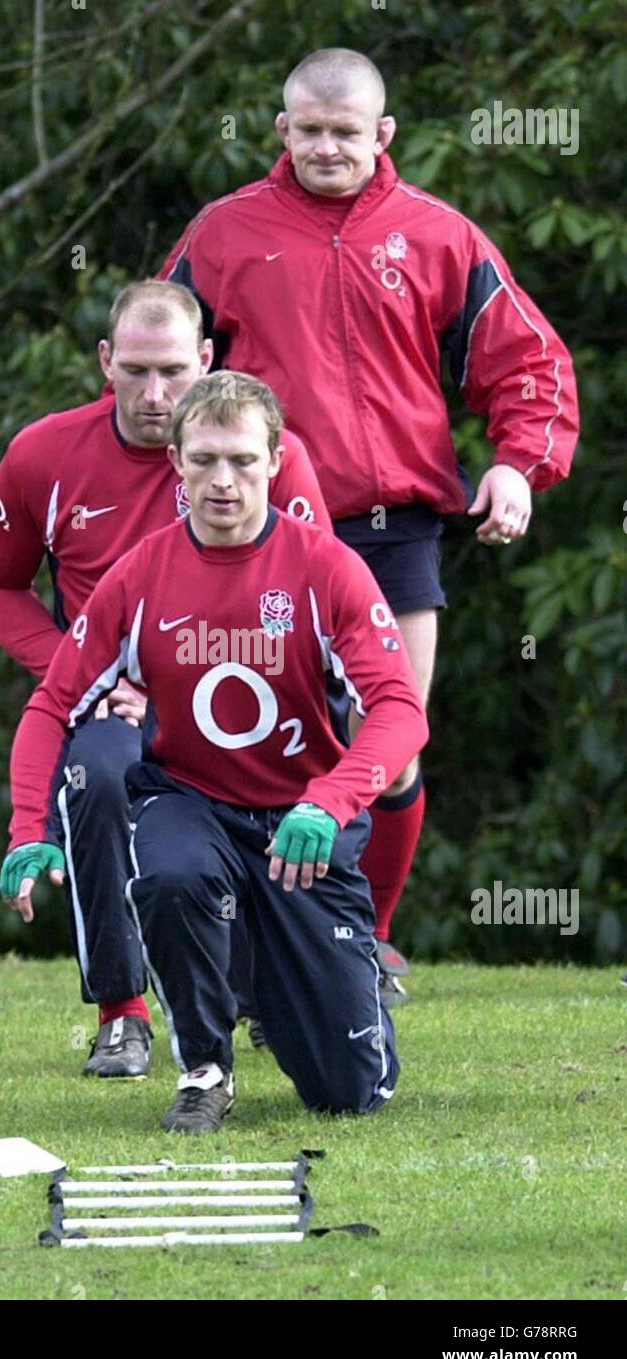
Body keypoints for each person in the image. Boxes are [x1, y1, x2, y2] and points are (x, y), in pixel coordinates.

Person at [160, 48, 579, 1003]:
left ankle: (365, 941)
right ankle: (256, 953)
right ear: (282, 130)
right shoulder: (224, 235)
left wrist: (516, 463)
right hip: (262, 536)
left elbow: (531, 366)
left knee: (390, 745)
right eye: (307, 131)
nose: (324, 148)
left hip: (396, 534)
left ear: (381, 134)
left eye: (344, 133)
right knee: (265, 752)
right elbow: (164, 371)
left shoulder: (437, 236)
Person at [0, 372, 428, 1132]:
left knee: (347, 1091)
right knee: (168, 872)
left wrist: (328, 801)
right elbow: (49, 707)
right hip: (189, 799)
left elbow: (398, 709)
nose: (221, 481)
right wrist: (30, 830)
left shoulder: (325, 568)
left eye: (240, 459)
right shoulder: (140, 576)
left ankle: (289, 985)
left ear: (274, 462)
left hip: (303, 824)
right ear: (177, 466)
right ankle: (204, 1067)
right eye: (202, 461)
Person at [0, 281, 330, 1078]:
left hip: (242, 691)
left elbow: (310, 597)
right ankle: (121, 1014)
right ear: (105, 363)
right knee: (96, 775)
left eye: (171, 369)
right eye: (134, 370)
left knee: (279, 771)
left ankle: (274, 985)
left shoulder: (272, 453)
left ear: (205, 359)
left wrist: (189, 677)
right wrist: (84, 670)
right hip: (108, 693)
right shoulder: (41, 455)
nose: (155, 392)